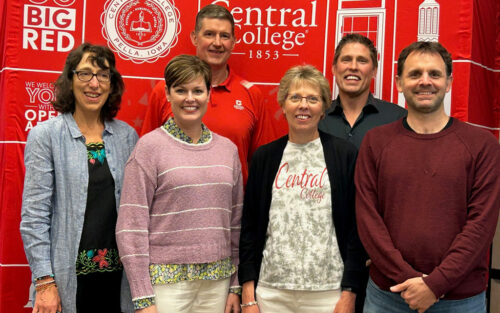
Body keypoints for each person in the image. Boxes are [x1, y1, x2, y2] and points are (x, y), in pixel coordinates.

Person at [355, 41, 500, 313]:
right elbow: (367, 218)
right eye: (415, 74)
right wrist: (408, 279)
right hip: (388, 297)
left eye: (434, 74)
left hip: (460, 300)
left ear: (448, 83)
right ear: (399, 82)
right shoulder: (375, 142)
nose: (425, 81)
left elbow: (481, 225)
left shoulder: (482, 145)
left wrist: (436, 284)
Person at [116, 55, 243, 313]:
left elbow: (235, 223)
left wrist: (234, 284)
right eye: (181, 90)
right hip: (166, 286)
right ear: (167, 93)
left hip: (216, 284)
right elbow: (131, 226)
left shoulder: (227, 151)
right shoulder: (149, 148)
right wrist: (142, 296)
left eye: (198, 90)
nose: (190, 98)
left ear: (209, 94)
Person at [20, 43, 138, 313]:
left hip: (118, 284)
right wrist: (44, 282)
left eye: (103, 75)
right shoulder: (46, 136)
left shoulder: (127, 137)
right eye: (85, 73)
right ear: (70, 80)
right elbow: (34, 217)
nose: (94, 83)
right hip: (65, 282)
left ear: (112, 83)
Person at [238, 65, 366, 313]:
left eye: (313, 99)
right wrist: (248, 293)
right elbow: (250, 228)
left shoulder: (344, 155)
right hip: (271, 292)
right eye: (295, 97)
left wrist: (350, 291)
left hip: (328, 292)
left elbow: (355, 227)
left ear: (324, 108)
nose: (303, 105)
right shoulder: (265, 157)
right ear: (283, 105)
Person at [141, 4, 275, 182]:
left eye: (224, 36)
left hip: (230, 206)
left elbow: (264, 165)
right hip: (172, 204)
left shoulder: (251, 94)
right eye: (209, 34)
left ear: (233, 42)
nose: (217, 43)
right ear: (195, 38)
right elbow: (146, 158)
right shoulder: (165, 91)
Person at [319, 33, 406, 149]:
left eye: (362, 61)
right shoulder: (317, 117)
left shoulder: (398, 118)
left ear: (374, 71)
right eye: (346, 59)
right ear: (334, 69)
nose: (353, 67)